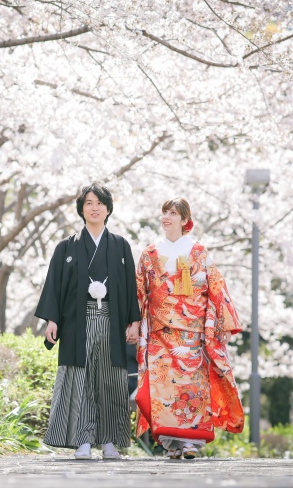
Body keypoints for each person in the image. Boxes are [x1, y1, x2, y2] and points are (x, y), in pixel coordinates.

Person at [131, 197, 244, 459]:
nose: (167, 217)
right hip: (159, 332)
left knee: (192, 387)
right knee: (163, 388)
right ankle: (172, 444)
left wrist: (224, 325)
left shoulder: (199, 251)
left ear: (184, 220)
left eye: (173, 213)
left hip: (192, 333)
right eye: (164, 212)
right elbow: (139, 292)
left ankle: (191, 443)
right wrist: (134, 324)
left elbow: (216, 287)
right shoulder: (149, 253)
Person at [35, 183, 141, 459]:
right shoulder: (66, 247)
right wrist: (52, 320)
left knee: (110, 379)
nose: (95, 208)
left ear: (108, 209)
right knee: (80, 379)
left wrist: (134, 321)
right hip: (76, 323)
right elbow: (54, 286)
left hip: (111, 321)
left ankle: (109, 440)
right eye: (89, 203)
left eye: (100, 203)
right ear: (81, 209)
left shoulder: (120, 245)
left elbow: (130, 287)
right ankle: (82, 440)